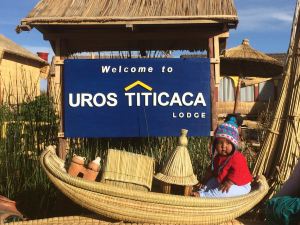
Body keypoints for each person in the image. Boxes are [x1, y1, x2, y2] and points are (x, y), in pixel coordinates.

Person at [191, 117, 252, 198]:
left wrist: (229, 182)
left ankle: (204, 195)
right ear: (215, 145)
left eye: (228, 143)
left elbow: (238, 172)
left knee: (224, 191)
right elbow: (214, 171)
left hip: (240, 185)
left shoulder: (237, 157)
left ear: (234, 144)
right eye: (220, 143)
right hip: (223, 181)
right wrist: (205, 181)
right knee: (212, 181)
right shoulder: (218, 157)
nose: (223, 146)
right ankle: (201, 190)